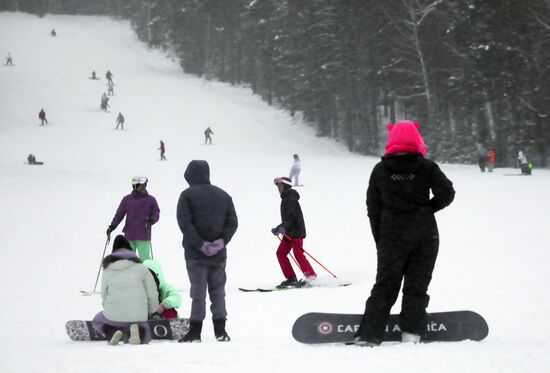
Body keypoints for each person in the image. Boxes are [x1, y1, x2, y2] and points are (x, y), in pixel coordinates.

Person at [353, 120, 455, 347]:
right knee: (417, 286)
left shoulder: (380, 170)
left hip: (392, 235)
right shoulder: (427, 167)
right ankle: (412, 334)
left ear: (391, 141)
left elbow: (373, 208)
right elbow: (447, 193)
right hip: (424, 234)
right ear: (417, 140)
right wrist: (427, 209)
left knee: (386, 285)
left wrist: (380, 237)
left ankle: (369, 335)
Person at [176, 160, 238, 342]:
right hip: (218, 255)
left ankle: (195, 331)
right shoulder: (224, 195)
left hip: (195, 254)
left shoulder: (186, 196)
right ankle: (221, 331)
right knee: (218, 291)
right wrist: (220, 242)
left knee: (198, 292)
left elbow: (184, 224)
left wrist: (200, 244)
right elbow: (232, 223)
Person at [91, 235, 159, 345]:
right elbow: (152, 292)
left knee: (98, 320)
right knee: (142, 326)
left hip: (114, 314)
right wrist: (151, 311)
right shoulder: (141, 267)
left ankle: (113, 332)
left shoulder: (108, 269)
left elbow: (104, 294)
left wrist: (108, 308)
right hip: (138, 314)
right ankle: (136, 331)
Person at [271, 176, 316, 288]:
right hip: (289, 232)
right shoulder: (285, 199)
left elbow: (291, 218)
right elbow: (287, 219)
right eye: (278, 186)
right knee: (281, 253)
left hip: (296, 232)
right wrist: (279, 227)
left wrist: (283, 227)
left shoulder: (290, 198)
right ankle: (291, 278)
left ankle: (311, 277)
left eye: (280, 186)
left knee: (298, 253)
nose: (279, 188)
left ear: (286, 186)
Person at [106, 176, 160, 260]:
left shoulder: (151, 200)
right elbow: (119, 214)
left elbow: (156, 212)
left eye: (142, 185)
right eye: (138, 185)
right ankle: (131, 273)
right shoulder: (127, 199)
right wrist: (112, 226)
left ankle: (146, 272)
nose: (139, 187)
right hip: (129, 235)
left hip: (143, 234)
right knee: (129, 259)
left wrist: (151, 220)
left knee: (144, 258)